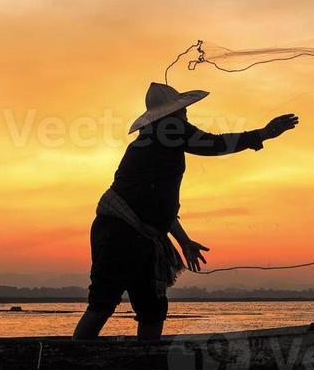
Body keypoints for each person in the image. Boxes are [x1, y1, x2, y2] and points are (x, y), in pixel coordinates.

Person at [72, 83, 299, 341]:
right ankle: (73, 361)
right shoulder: (168, 129)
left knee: (151, 308)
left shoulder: (154, 137)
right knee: (105, 303)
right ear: (172, 113)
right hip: (120, 234)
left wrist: (183, 241)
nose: (187, 115)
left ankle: (145, 361)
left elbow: (154, 204)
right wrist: (263, 133)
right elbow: (214, 143)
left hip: (133, 233)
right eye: (183, 111)